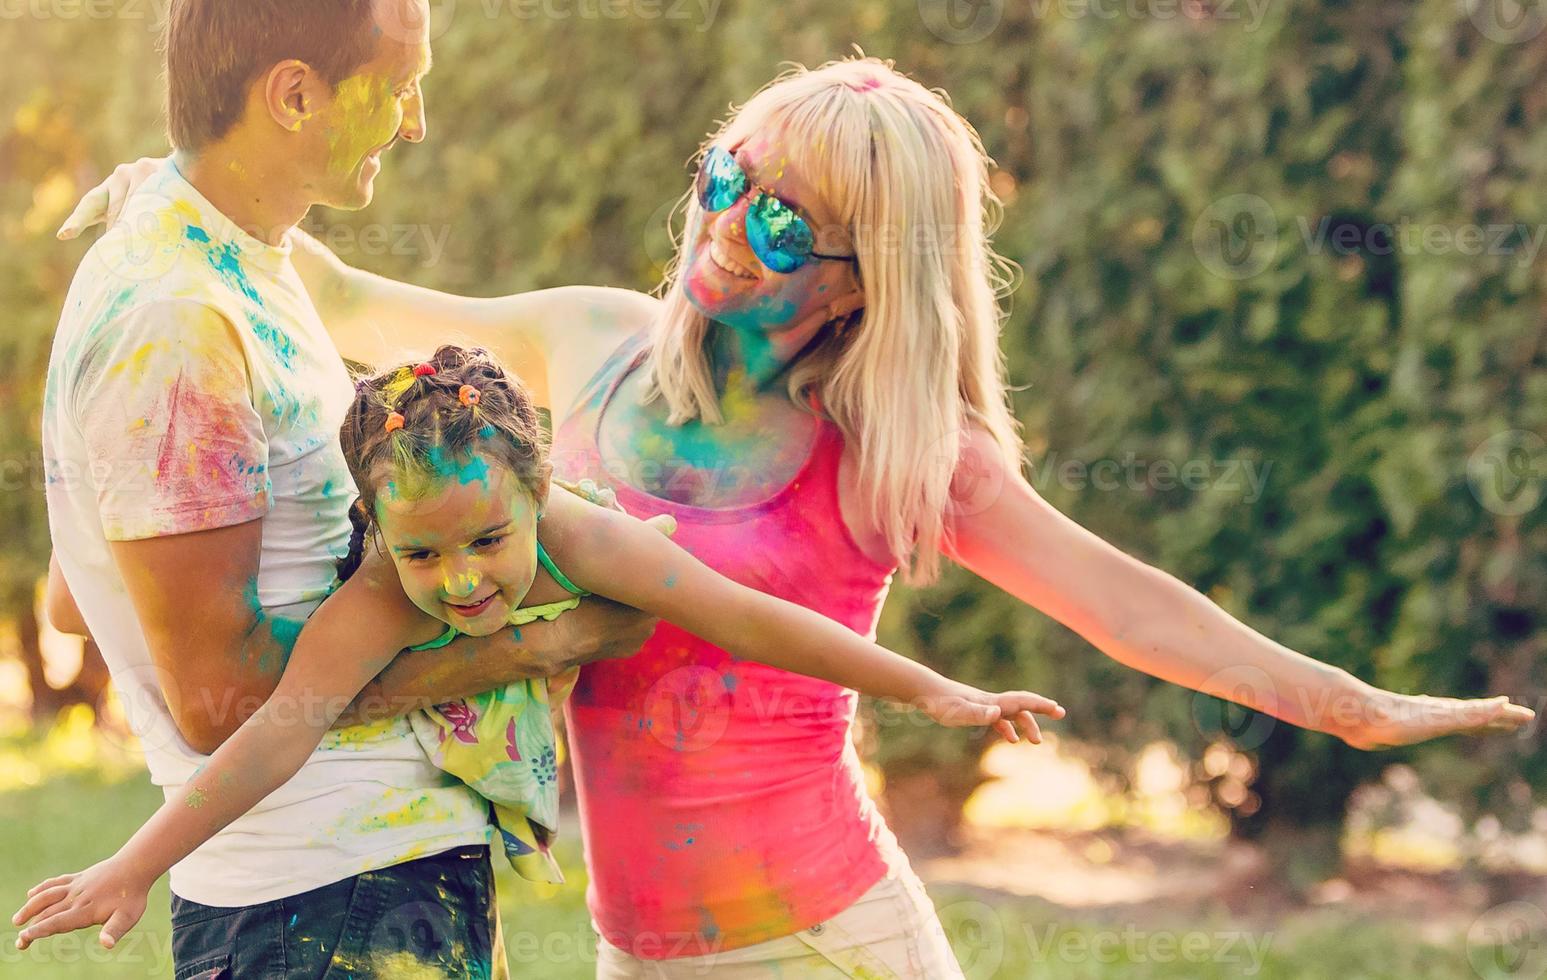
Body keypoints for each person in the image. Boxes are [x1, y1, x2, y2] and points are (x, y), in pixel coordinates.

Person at [56, 55, 1535, 979]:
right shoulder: (587, 343)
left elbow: (1123, 602)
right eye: (724, 176)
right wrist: (175, 197)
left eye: (776, 220)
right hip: (646, 950)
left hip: (826, 933)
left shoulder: (895, 452)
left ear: (858, 274)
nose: (718, 224)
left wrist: (1340, 706)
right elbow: (339, 292)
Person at [13, 344, 1060, 955]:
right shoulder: (378, 592)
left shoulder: (580, 534)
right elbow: (277, 731)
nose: (462, 577)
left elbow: (747, 617)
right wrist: (134, 863)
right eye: (425, 551)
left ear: (536, 494)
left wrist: (936, 690)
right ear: (377, 531)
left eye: (487, 540)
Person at [31, 2, 658, 977]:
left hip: (370, 880)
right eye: (401, 87)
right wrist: (542, 641)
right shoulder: (175, 321)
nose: (415, 123)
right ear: (293, 94)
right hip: (322, 909)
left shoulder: (241, 255)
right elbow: (215, 695)